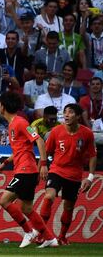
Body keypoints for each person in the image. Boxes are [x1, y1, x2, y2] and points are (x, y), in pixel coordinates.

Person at [0, 91, 58, 248]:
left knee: (4, 200)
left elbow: (40, 141)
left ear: (3, 106)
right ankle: (50, 238)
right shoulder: (13, 124)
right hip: (23, 168)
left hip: (26, 170)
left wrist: (43, 164)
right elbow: (19, 150)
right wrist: (5, 162)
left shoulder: (21, 123)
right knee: (26, 208)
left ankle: (29, 232)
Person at [40, 103, 97, 245]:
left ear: (78, 116)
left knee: (69, 207)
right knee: (48, 196)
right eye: (65, 112)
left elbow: (92, 155)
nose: (66, 115)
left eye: (70, 112)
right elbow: (46, 152)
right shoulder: (56, 131)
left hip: (75, 175)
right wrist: (42, 166)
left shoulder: (87, 133)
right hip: (56, 170)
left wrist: (90, 178)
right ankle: (42, 234)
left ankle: (62, 237)